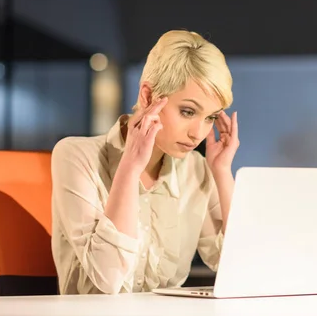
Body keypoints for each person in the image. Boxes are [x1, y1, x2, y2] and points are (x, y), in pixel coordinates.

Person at [50, 30, 239, 295]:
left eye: (210, 118)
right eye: (188, 111)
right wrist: (130, 168)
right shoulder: (75, 155)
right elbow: (108, 277)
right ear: (148, 96)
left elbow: (231, 262)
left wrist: (222, 173)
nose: (198, 133)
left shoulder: (196, 169)